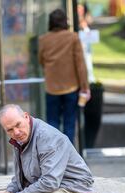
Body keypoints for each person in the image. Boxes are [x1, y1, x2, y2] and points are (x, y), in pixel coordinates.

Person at [38, 9, 90, 144]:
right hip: (71, 87)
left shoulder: (43, 39)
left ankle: (54, 156)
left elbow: (41, 60)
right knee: (69, 123)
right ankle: (68, 157)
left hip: (51, 87)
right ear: (64, 22)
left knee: (52, 123)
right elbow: (80, 65)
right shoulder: (73, 37)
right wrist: (85, 86)